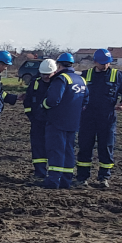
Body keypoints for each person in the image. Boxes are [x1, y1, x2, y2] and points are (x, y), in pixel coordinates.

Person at [41, 52, 88, 189]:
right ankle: (66, 180)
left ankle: (54, 181)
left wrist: (43, 105)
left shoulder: (61, 79)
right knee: (68, 151)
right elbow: (85, 102)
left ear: (59, 65)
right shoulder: (81, 80)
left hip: (57, 121)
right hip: (73, 122)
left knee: (56, 150)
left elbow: (53, 100)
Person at [76, 49, 121, 188]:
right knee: (85, 147)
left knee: (106, 148)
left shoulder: (118, 75)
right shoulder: (85, 75)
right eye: (102, 63)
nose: (105, 65)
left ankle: (103, 178)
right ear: (95, 62)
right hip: (87, 118)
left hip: (107, 118)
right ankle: (82, 178)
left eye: (107, 63)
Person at [20, 58, 56, 183]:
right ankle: (39, 172)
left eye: (48, 74)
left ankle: (53, 174)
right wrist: (31, 116)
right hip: (38, 121)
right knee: (38, 147)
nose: (45, 77)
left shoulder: (58, 83)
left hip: (54, 123)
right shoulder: (35, 83)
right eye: (43, 74)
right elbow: (28, 101)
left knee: (53, 148)